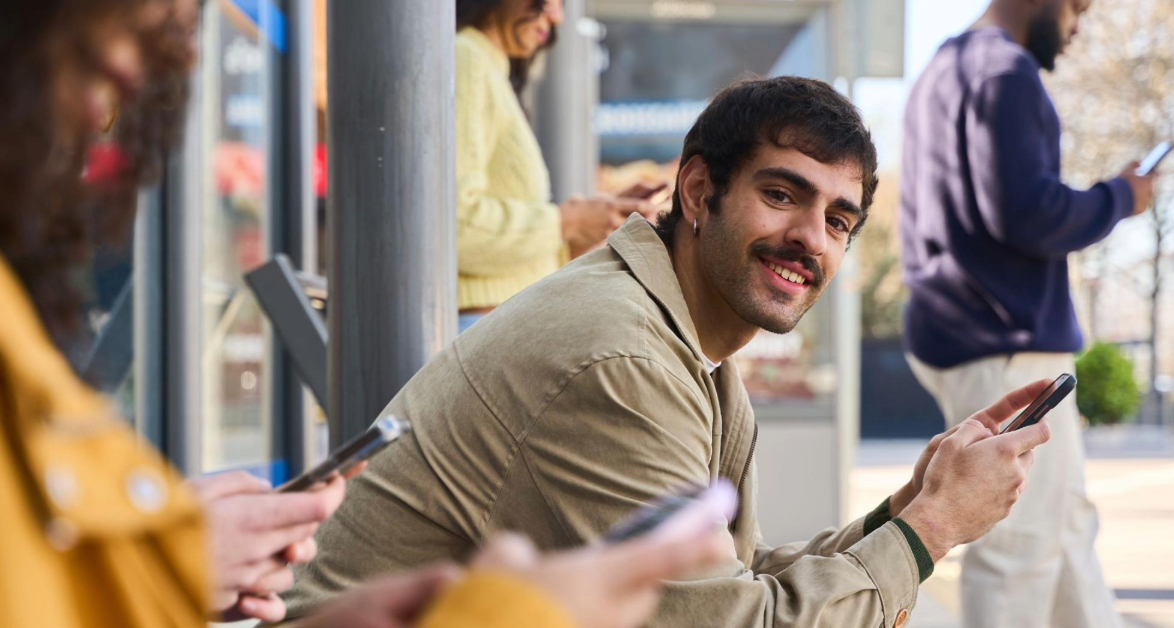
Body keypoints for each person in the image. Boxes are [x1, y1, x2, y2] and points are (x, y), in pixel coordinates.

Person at [0, 1, 730, 627]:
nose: (119, 99)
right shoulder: (471, 62)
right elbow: (450, 220)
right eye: (98, 51)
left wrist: (171, 551)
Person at [283, 76, 1053, 628]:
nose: (810, 239)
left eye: (839, 219)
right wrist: (937, 527)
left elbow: (724, 588)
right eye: (782, 195)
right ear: (695, 191)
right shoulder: (621, 359)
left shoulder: (682, 344)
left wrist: (911, 511)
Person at [899, 1, 1156, 626]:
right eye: (1076, 7)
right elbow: (1028, 212)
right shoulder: (1001, 71)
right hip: (1002, 339)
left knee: (1064, 528)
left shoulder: (945, 68)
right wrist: (1122, 195)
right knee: (1021, 549)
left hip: (971, 331)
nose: (1078, 25)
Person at [454, 0, 655, 332]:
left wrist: (587, 227)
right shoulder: (469, 59)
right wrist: (566, 223)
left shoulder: (485, 66)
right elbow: (457, 228)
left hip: (494, 326)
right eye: (552, 0)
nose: (557, 16)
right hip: (482, 329)